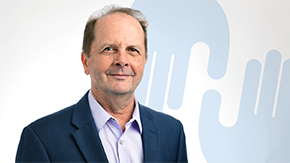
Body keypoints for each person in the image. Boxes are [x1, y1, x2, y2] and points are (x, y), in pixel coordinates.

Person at [16, 4, 188, 163]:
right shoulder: (42, 138)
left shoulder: (172, 132)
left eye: (132, 50)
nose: (122, 60)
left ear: (144, 61)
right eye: (109, 49)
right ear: (85, 62)